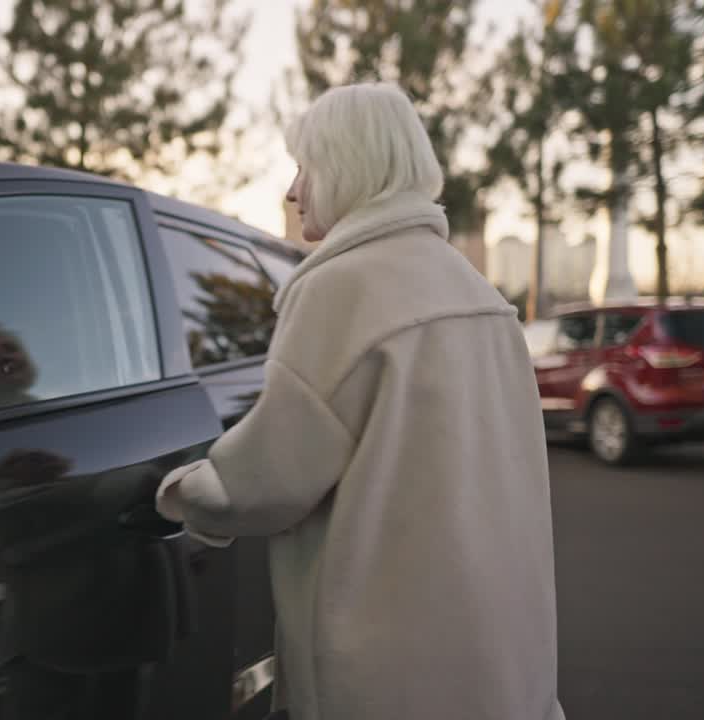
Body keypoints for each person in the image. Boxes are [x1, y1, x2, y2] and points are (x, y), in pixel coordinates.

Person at [155, 82, 566, 720]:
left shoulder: (342, 288)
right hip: (502, 664)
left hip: (387, 677)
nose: (292, 192)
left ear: (347, 166)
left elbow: (269, 478)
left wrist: (180, 494)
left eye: (304, 168)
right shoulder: (483, 297)